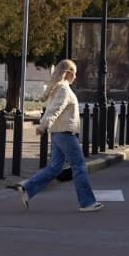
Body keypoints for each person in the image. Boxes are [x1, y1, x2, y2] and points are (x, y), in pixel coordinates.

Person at [12, 60, 103, 212]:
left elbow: (53, 110)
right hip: (65, 134)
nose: (76, 76)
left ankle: (27, 188)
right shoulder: (64, 90)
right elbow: (55, 110)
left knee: (55, 167)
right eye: (74, 73)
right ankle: (87, 203)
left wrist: (45, 126)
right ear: (68, 73)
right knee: (79, 166)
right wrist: (43, 125)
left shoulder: (58, 88)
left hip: (58, 134)